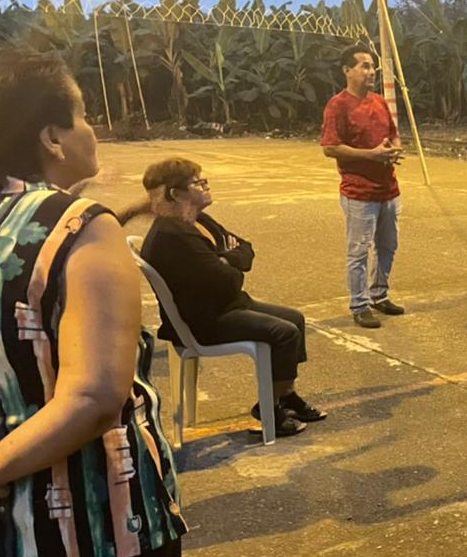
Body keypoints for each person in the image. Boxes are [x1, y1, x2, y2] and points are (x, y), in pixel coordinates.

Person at [0, 51, 186, 557]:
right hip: (102, 531)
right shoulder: (78, 225)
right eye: (80, 114)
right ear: (50, 136)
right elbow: (94, 395)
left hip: (7, 542)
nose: (91, 128)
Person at [136, 158, 326, 438]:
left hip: (225, 305)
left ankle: (286, 395)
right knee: (284, 333)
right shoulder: (172, 236)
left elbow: (245, 248)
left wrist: (227, 258)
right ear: (176, 193)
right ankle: (269, 408)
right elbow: (228, 280)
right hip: (203, 321)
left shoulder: (198, 220)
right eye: (198, 183)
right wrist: (228, 260)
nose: (206, 185)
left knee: (294, 318)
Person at [320, 45, 405, 328]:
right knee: (359, 251)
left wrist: (394, 150)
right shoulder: (338, 105)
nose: (371, 71)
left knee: (388, 246)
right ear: (347, 71)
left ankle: (379, 294)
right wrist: (371, 155)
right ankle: (359, 304)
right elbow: (330, 147)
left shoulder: (379, 101)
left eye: (373, 66)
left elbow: (393, 134)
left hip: (389, 190)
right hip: (359, 193)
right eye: (365, 66)